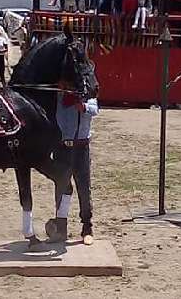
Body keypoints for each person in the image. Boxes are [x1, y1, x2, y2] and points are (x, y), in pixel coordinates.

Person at [55, 88, 99, 245]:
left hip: (81, 146)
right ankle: (61, 228)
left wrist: (84, 107)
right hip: (62, 147)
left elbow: (95, 109)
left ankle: (87, 228)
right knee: (61, 188)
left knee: (84, 188)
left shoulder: (86, 93)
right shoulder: (60, 95)